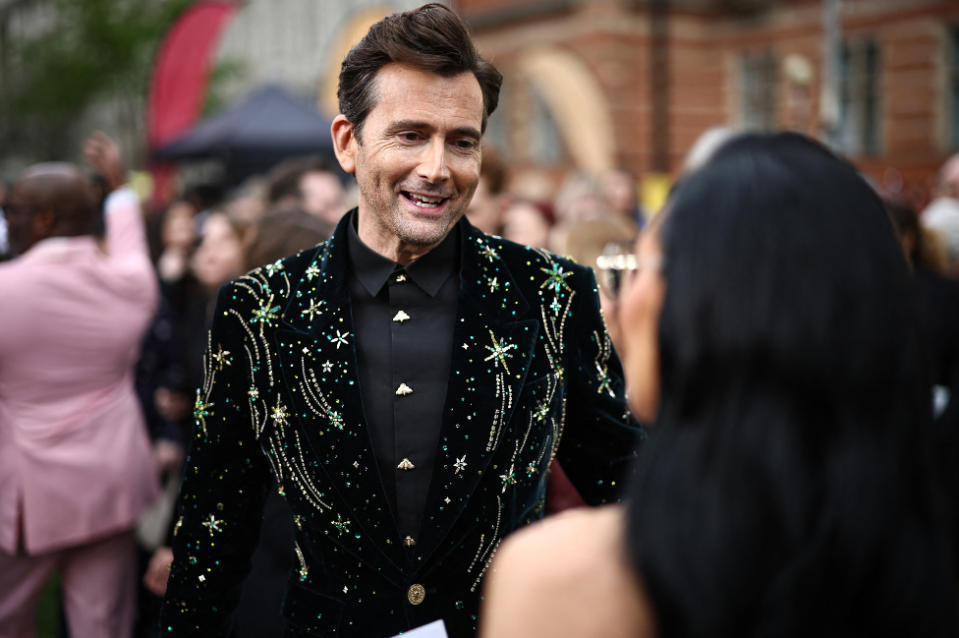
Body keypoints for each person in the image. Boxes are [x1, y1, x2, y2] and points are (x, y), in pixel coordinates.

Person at [159, 4, 640, 637]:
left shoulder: (550, 296)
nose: (438, 168)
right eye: (410, 134)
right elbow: (210, 543)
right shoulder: (258, 312)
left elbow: (630, 486)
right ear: (347, 143)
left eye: (461, 141)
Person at [480, 132, 958, 637]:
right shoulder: (923, 561)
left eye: (635, 269)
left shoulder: (565, 578)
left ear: (703, 310)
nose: (616, 306)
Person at [0, 132, 160, 637]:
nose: (9, 221)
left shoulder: (6, 291)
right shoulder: (131, 282)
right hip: (110, 480)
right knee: (102, 622)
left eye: (15, 211)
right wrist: (117, 187)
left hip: (26, 488)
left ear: (44, 220)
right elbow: (132, 242)